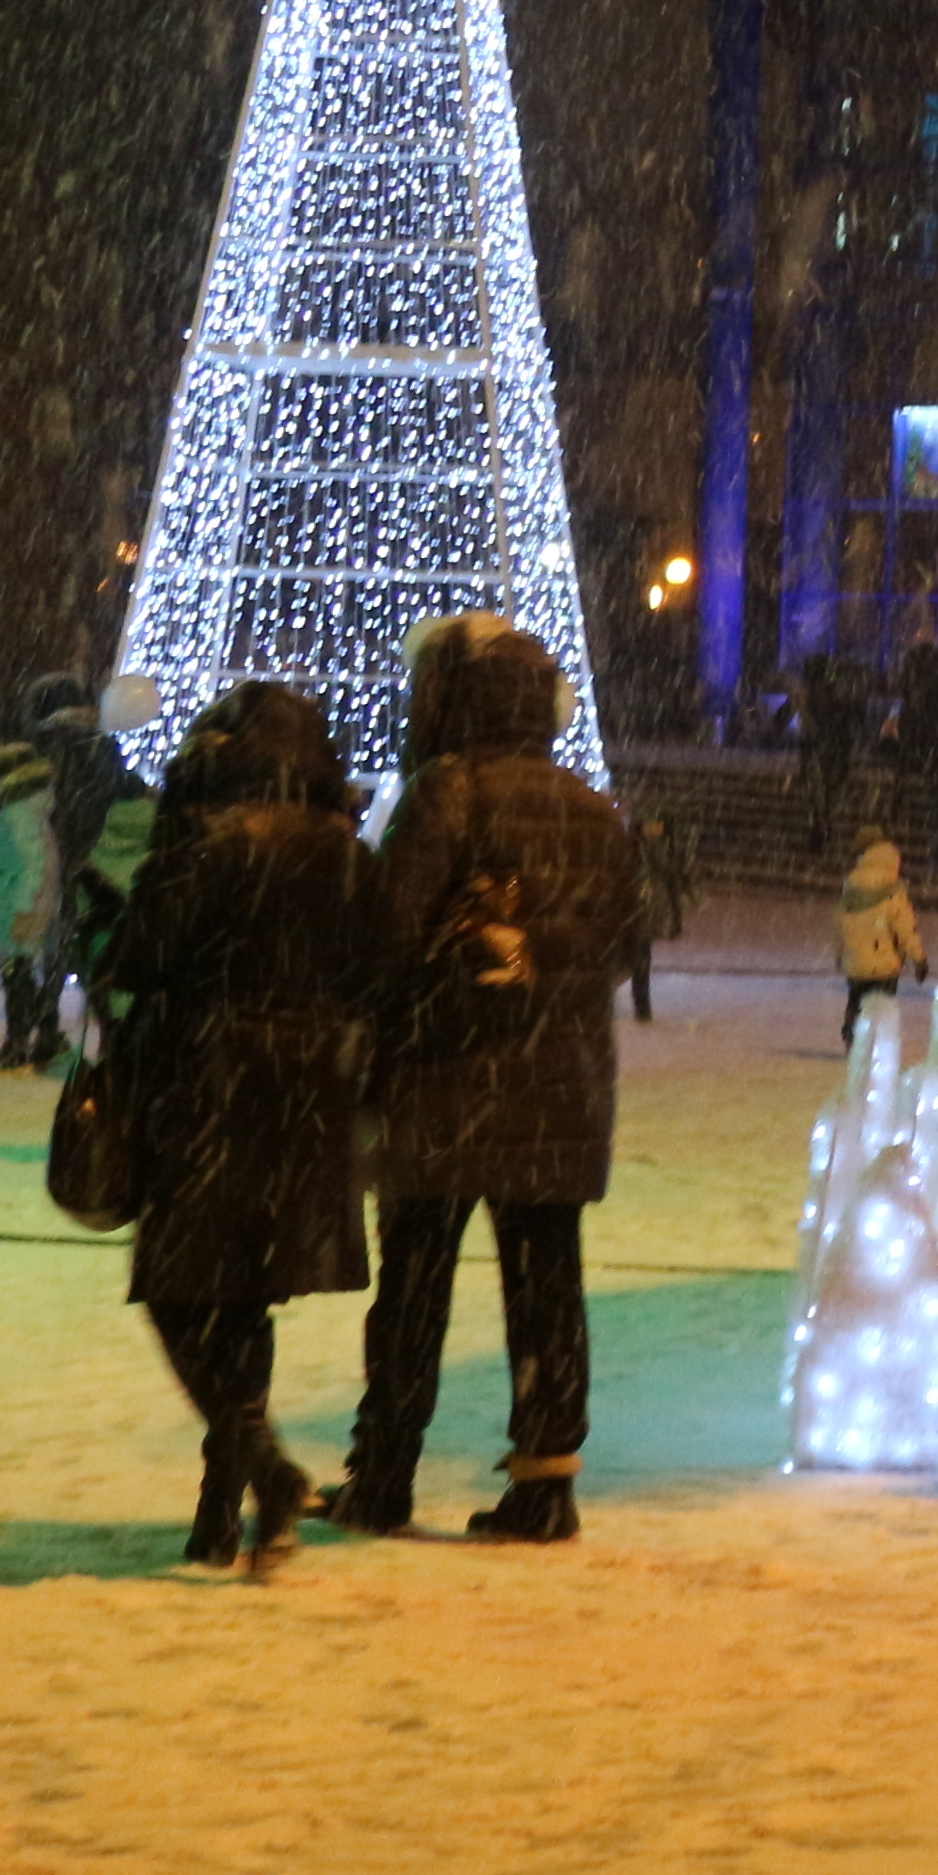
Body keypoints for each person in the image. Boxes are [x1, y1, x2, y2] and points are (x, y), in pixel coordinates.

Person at [340, 616, 644, 1544]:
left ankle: (383, 1474)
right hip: (562, 1091)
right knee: (548, 1284)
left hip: (445, 1082)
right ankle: (547, 1484)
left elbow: (386, 937)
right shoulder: (593, 810)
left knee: (416, 1283)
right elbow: (626, 948)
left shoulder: (449, 791)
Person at [101, 681, 373, 1568]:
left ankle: (260, 1467)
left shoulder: (207, 843)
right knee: (247, 1296)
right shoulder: (346, 853)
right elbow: (376, 967)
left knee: (181, 1290)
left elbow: (138, 955)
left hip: (207, 1082)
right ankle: (223, 1513)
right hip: (308, 1095)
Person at [0, 734, 60, 1072]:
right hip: (13, 902)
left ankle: (20, 1043)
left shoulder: (19, 812)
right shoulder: (20, 807)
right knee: (18, 976)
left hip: (19, 907)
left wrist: (23, 909)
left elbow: (34, 865)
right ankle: (35, 1037)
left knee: (17, 977)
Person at [837, 837, 922, 1045]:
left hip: (856, 960)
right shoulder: (893, 892)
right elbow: (905, 930)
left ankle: (852, 1032)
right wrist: (919, 958)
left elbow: (842, 925)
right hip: (884, 962)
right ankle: (876, 1042)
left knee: (856, 999)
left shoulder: (851, 885)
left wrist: (842, 954)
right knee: (883, 1006)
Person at [627, 804, 695, 1023]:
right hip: (636, 907)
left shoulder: (665, 850)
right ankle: (641, 1006)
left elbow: (676, 881)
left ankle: (642, 1006)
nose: (654, 829)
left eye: (657, 825)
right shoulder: (636, 849)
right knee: (638, 956)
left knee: (641, 956)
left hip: (646, 909)